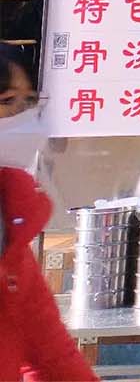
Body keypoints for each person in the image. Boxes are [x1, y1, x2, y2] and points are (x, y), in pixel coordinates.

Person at [0, 44, 98, 381]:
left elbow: (51, 354)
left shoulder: (11, 225)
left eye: (29, 102)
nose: (24, 117)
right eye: (7, 101)